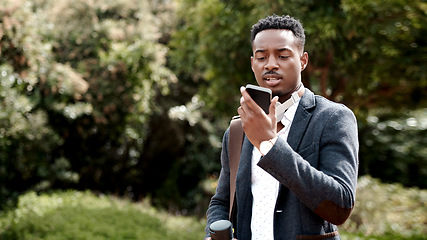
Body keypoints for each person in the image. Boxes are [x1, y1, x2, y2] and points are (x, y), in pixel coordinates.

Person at [204, 14, 359, 240]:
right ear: (252, 63)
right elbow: (222, 200)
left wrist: (269, 144)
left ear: (303, 60)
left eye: (283, 55)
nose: (270, 64)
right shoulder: (238, 131)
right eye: (261, 57)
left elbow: (340, 205)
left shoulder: (333, 118)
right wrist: (213, 234)